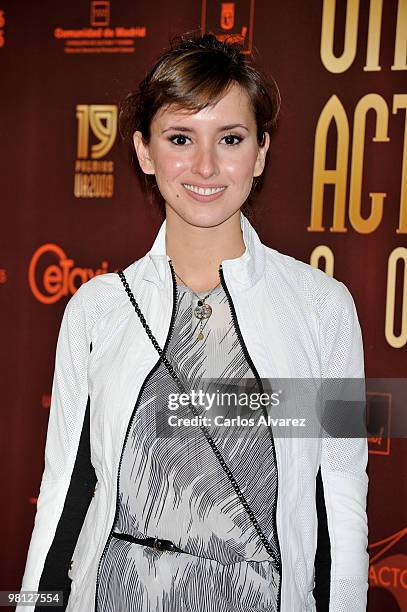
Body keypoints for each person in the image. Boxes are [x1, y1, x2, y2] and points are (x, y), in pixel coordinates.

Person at [18, 33, 369, 612]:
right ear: (144, 151)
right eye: (180, 138)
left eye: (230, 139)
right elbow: (66, 492)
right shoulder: (97, 309)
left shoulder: (324, 309)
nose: (205, 165)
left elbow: (340, 497)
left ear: (259, 153)